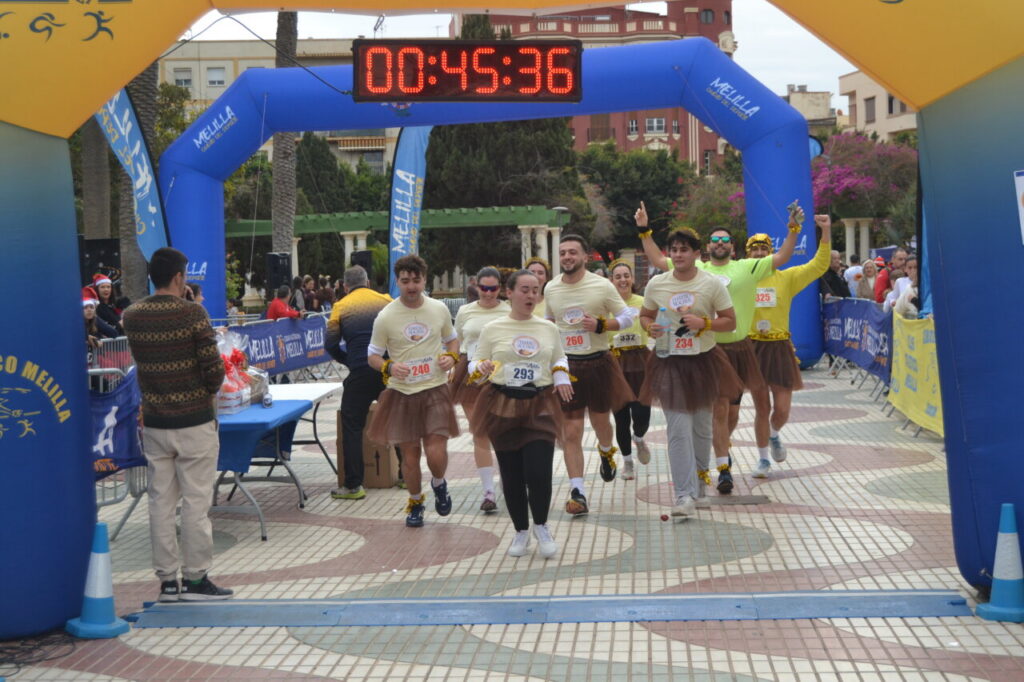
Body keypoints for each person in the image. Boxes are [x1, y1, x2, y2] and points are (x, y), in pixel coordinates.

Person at [638, 200, 799, 494]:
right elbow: (660, 262)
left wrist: (793, 229)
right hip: (696, 352)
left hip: (737, 348)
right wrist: (644, 230)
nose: (720, 243)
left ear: (733, 247)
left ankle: (741, 452)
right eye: (715, 239)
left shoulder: (747, 267)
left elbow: (783, 256)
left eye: (725, 239)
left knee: (734, 413)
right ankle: (722, 468)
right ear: (707, 247)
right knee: (718, 413)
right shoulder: (694, 266)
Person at [122, 247, 232, 602]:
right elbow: (214, 370)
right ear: (179, 277)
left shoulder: (132, 316)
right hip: (195, 421)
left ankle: (167, 581)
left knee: (160, 503)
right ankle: (196, 579)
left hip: (154, 422)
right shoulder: (193, 314)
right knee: (196, 503)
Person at [469, 269, 574, 557]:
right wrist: (480, 368)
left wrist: (562, 375)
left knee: (538, 472)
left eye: (535, 290)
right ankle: (521, 531)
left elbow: (559, 357)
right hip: (502, 403)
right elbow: (475, 361)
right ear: (509, 293)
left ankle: (541, 525)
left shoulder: (547, 328)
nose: (530, 295)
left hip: (539, 403)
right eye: (524, 289)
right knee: (512, 473)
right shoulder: (494, 328)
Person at [638, 228, 738, 518]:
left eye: (684, 250)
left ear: (697, 254)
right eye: (674, 249)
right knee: (678, 429)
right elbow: (645, 315)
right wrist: (649, 327)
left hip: (703, 361)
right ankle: (683, 494)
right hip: (669, 362)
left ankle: (700, 486)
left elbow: (731, 322)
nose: (678, 254)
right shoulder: (657, 284)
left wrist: (704, 323)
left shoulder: (711, 284)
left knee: (702, 429)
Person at [544, 234, 636, 516]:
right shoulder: (551, 288)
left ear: (584, 256)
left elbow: (627, 317)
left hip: (598, 362)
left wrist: (600, 324)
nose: (568, 257)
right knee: (570, 430)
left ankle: (607, 450)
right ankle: (578, 492)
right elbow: (549, 323)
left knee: (600, 422)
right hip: (567, 366)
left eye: (573, 252)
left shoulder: (601, 285)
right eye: (563, 253)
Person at [366, 254, 460, 527]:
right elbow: (372, 356)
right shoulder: (385, 316)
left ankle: (439, 483)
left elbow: (452, 341)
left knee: (435, 452)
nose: (411, 287)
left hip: (434, 388)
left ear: (424, 280)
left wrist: (451, 358)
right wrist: (389, 367)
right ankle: (416, 501)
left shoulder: (438, 309)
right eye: (405, 281)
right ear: (397, 282)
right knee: (410, 455)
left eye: (416, 281)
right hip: (401, 393)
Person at [745, 214, 832, 477]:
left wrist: (825, 231)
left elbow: (819, 265)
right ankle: (762, 459)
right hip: (753, 348)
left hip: (780, 346)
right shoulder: (741, 279)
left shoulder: (786, 278)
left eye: (764, 249)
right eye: (754, 249)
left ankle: (773, 435)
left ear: (773, 253)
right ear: (747, 255)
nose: (759, 253)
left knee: (781, 409)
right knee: (762, 408)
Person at [326, 265, 392, 501]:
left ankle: (354, 485)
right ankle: (406, 475)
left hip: (360, 371)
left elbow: (331, 344)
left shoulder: (340, 306)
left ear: (345, 286)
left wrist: (349, 361)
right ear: (368, 282)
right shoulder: (385, 300)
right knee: (398, 419)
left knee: (352, 426)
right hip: (387, 369)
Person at [451, 266, 511, 512]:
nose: (487, 293)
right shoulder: (465, 311)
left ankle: (511, 484)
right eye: (483, 288)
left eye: (493, 288)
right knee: (479, 431)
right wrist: (450, 365)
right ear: (476, 286)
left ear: (501, 288)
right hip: (471, 373)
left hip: (502, 374)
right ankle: (488, 492)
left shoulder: (508, 309)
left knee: (504, 433)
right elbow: (457, 341)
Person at [607, 258, 652, 480]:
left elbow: (653, 326)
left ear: (632, 279)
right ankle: (627, 462)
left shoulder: (643, 302)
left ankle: (640, 437)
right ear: (611, 281)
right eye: (618, 277)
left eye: (626, 276)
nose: (623, 280)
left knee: (643, 412)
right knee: (621, 417)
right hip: (616, 362)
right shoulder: (606, 306)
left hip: (641, 359)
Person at [83, 287, 117, 354]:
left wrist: (95, 318)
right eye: (85, 307)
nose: (89, 310)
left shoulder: (94, 320)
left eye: (91, 307)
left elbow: (114, 333)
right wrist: (88, 337)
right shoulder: (75, 324)